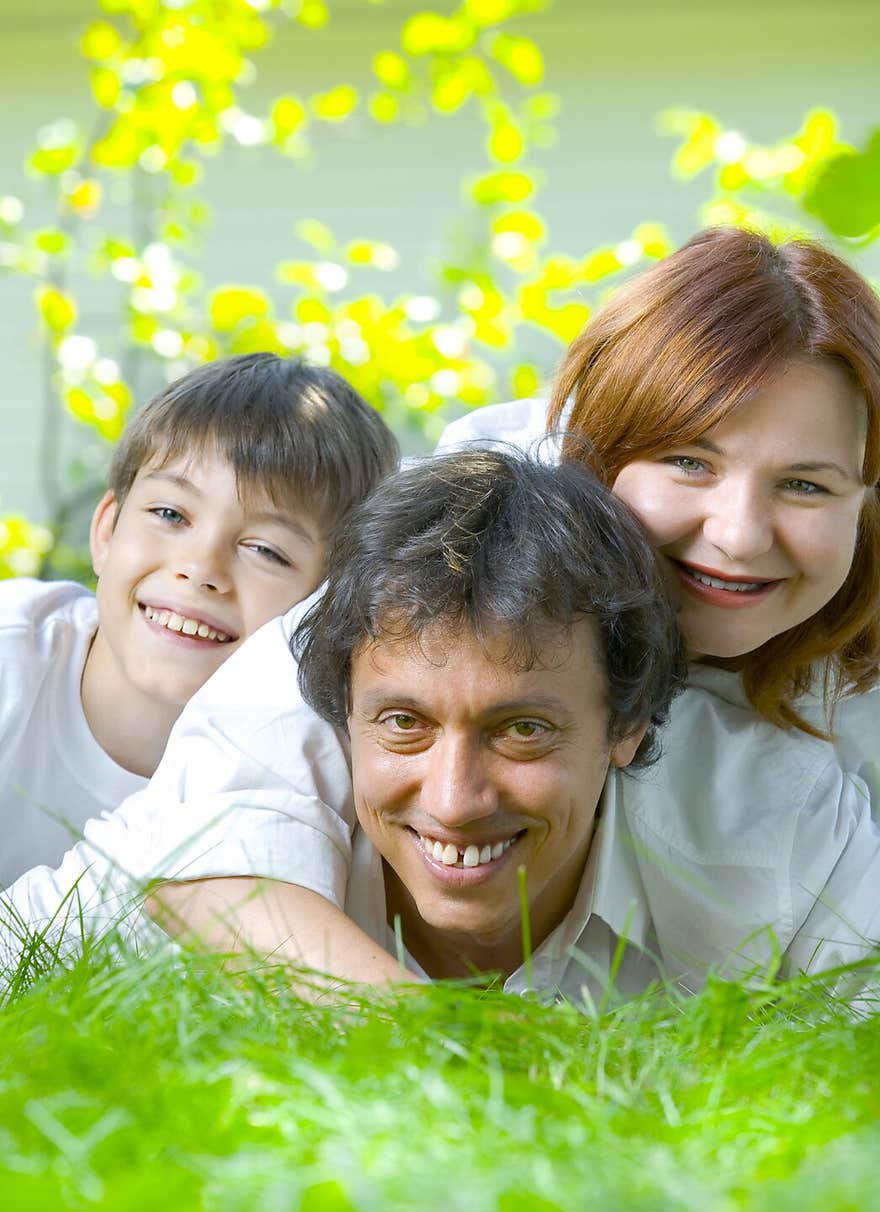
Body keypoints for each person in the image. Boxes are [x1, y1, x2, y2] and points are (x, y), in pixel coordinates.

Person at [4, 450, 878, 1010]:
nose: (454, 800)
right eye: (402, 724)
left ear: (627, 722)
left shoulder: (779, 836)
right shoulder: (206, 844)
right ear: (338, 716)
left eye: (523, 730)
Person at [435, 225, 880, 806]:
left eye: (804, 485)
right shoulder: (478, 502)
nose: (739, 536)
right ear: (592, 446)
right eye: (690, 463)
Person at [0, 352, 398, 883]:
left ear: (326, 606)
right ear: (106, 533)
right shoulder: (12, 659)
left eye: (265, 550)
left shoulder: (311, 775)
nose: (200, 568)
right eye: (169, 514)